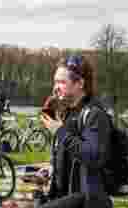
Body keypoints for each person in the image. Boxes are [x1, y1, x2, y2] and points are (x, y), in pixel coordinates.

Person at [24, 54, 112, 208]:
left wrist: (60, 131)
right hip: (65, 197)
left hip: (86, 200)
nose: (55, 87)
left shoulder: (95, 115)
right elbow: (69, 155)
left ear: (80, 83)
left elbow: (93, 156)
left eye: (62, 82)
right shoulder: (68, 113)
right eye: (55, 82)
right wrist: (51, 169)